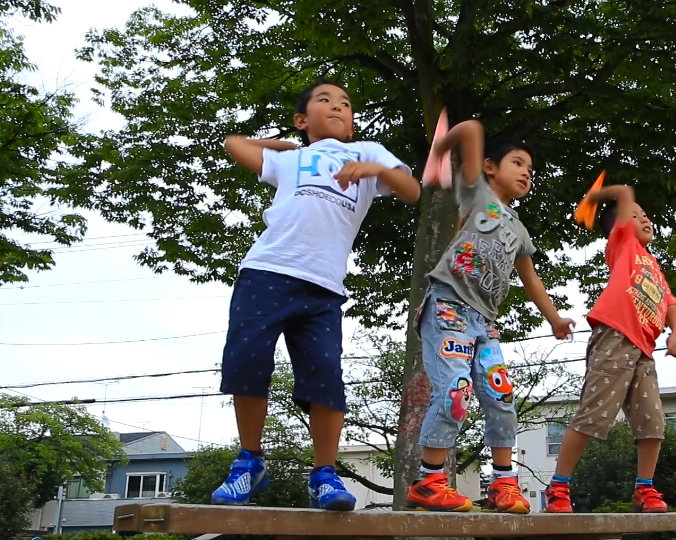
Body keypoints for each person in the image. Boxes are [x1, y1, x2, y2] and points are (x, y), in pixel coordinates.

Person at [211, 80, 421, 510]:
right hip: (266, 270)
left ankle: (323, 474)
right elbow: (234, 143)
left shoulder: (367, 151)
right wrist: (286, 143)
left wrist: (379, 172)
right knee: (247, 359)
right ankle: (249, 461)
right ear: (303, 119)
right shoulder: (293, 160)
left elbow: (413, 191)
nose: (339, 107)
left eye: (346, 103)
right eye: (325, 101)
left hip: (324, 286)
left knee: (325, 374)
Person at [405, 118, 575, 514]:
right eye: (518, 163)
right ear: (489, 167)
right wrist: (442, 147)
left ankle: (502, 483)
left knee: (501, 397)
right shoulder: (476, 193)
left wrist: (554, 319)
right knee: (455, 390)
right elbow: (470, 130)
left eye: (531, 170)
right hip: (448, 306)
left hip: (485, 321)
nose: (527, 173)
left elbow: (531, 279)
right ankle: (429, 482)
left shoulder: (518, 227)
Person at [544, 183, 676, 513]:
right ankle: (559, 486)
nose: (644, 219)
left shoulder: (654, 266)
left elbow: (670, 303)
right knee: (593, 415)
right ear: (620, 225)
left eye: (646, 215)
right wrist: (592, 198)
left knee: (653, 423)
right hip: (615, 338)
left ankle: (645, 489)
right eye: (636, 215)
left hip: (644, 350)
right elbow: (623, 193)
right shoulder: (623, 245)